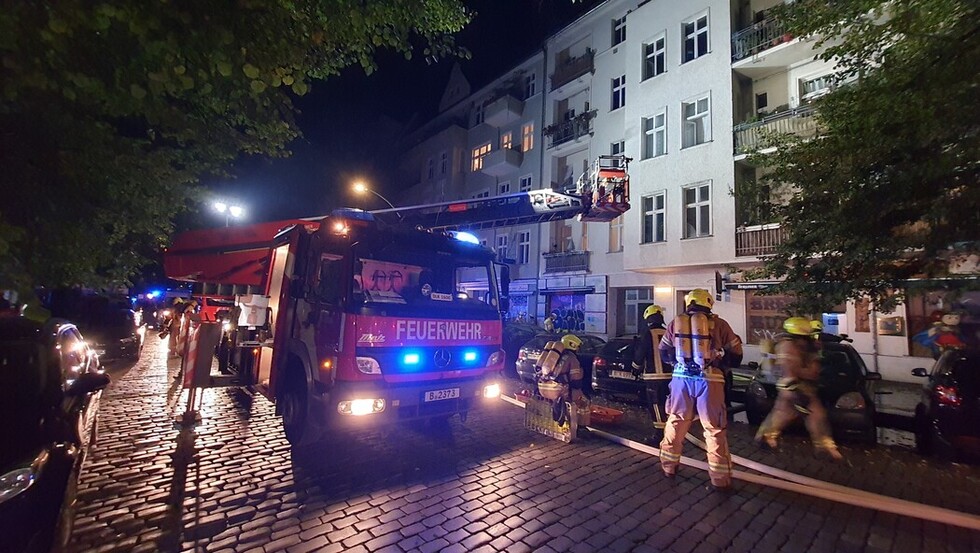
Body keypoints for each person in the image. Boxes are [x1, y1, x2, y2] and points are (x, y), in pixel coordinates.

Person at [658, 288, 743, 490]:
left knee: (676, 422)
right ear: (709, 303)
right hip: (710, 380)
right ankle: (719, 479)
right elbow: (737, 356)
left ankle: (669, 467)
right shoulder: (720, 325)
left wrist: (681, 363)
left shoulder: (675, 323)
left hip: (680, 379)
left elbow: (663, 351)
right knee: (713, 428)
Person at [756, 317, 843, 460]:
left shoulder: (803, 346)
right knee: (816, 415)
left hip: (797, 387)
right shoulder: (789, 346)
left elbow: (812, 367)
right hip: (795, 387)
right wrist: (797, 389)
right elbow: (790, 370)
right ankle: (825, 448)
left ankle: (765, 437)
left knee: (782, 414)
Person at [631, 305, 670, 443]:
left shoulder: (647, 333)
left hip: (653, 377)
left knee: (655, 405)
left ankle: (659, 435)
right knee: (667, 405)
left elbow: (640, 354)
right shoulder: (666, 332)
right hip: (670, 377)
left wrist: (635, 368)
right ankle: (671, 433)